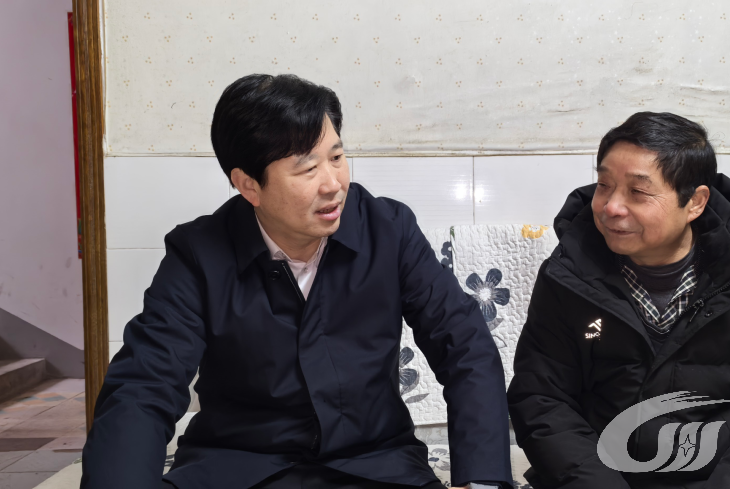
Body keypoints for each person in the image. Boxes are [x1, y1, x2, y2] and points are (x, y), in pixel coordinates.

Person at [81, 74, 512, 489]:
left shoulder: (389, 230)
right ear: (248, 185)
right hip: (236, 468)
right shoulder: (199, 254)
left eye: (337, 158)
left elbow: (464, 346)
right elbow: (144, 384)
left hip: (375, 466)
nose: (334, 184)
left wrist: (481, 479)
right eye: (307, 168)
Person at [507, 112, 730, 489]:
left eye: (638, 192)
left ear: (695, 202)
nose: (611, 207)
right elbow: (542, 399)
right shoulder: (568, 277)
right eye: (604, 185)